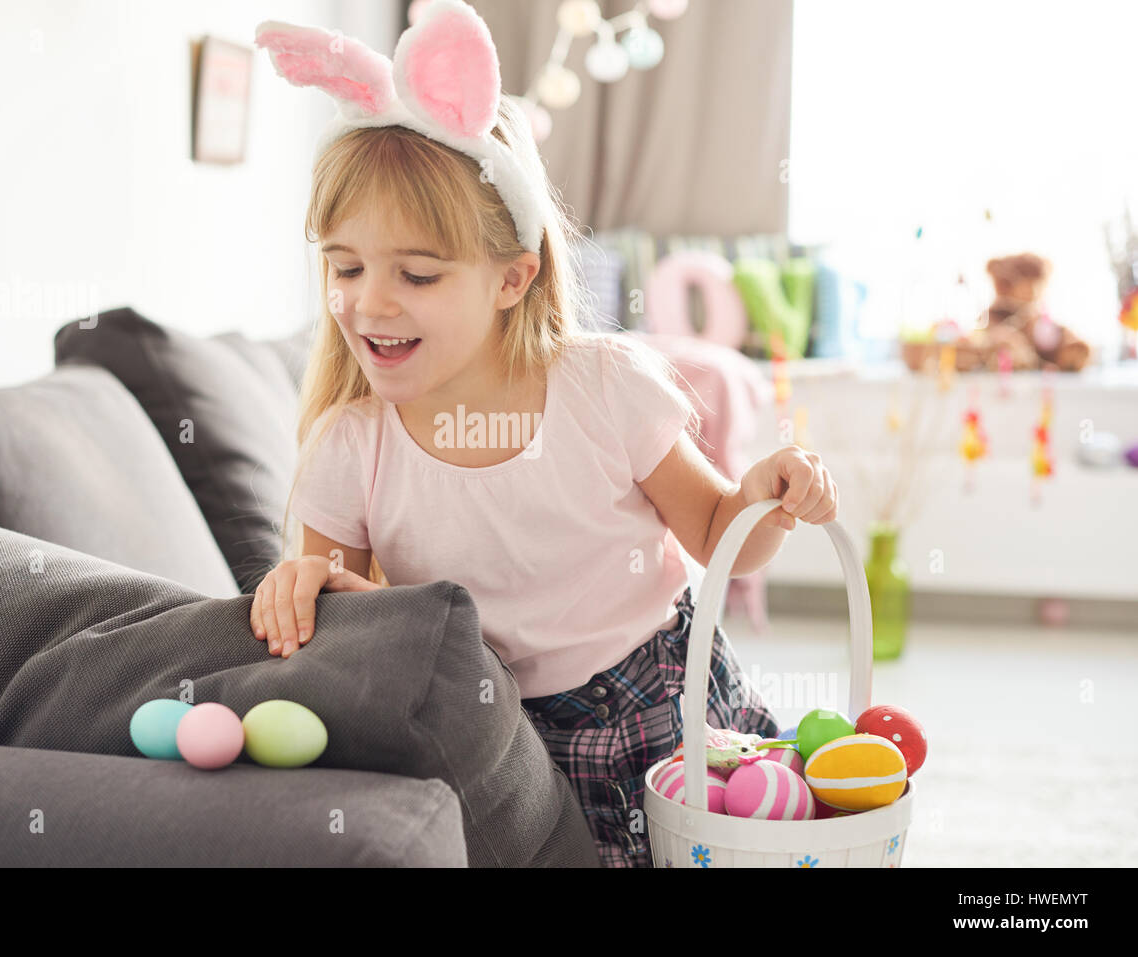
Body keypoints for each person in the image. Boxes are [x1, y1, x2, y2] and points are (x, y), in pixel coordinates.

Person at [249, 1, 839, 867]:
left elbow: (720, 538)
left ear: (511, 278)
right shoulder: (351, 443)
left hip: (669, 701)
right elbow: (368, 639)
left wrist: (767, 498)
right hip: (504, 743)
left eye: (415, 273)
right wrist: (308, 583)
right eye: (345, 267)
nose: (367, 302)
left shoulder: (603, 388)